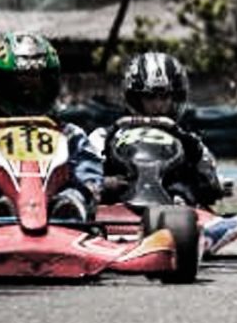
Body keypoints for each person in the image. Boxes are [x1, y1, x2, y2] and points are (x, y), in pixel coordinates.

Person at [0, 31, 104, 224]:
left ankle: (66, 212)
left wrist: (79, 190)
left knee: (74, 196)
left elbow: (90, 179)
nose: (27, 95)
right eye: (19, 87)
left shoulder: (70, 135)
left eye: (36, 87)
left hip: (55, 217)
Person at [94, 51, 226, 208]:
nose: (158, 105)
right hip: (118, 209)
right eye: (150, 97)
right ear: (135, 98)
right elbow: (84, 175)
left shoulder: (188, 141)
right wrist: (106, 183)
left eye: (164, 97)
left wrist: (205, 179)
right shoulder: (104, 136)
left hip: (176, 211)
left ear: (175, 97)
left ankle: (179, 200)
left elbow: (211, 182)